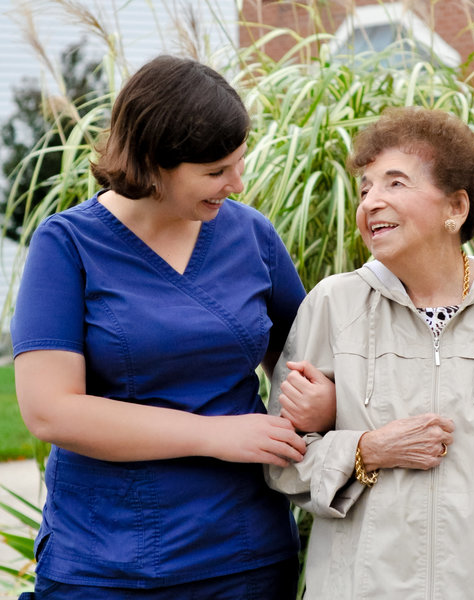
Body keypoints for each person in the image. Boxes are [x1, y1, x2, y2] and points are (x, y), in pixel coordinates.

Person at [11, 55, 333, 600]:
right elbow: (49, 409)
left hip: (243, 554)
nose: (236, 182)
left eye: (238, 162)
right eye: (215, 172)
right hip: (103, 562)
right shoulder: (67, 246)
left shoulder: (251, 235)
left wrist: (318, 399)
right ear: (154, 162)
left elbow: (304, 364)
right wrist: (216, 435)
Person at [265, 106, 474, 599]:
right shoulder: (333, 306)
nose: (371, 202)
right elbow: (281, 462)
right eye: (365, 189)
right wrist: (364, 449)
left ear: (455, 208)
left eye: (395, 184)